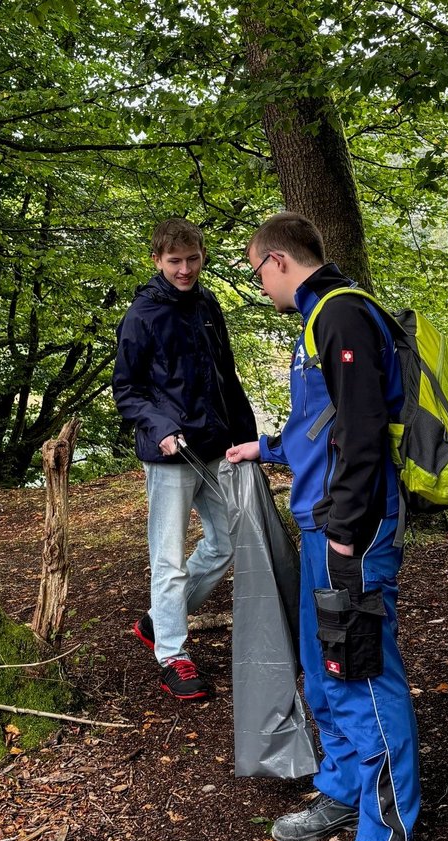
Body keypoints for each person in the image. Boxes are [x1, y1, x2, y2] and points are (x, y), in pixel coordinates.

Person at [225, 212, 420, 841]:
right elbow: (321, 422)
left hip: (351, 531)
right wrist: (265, 448)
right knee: (322, 665)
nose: (262, 286)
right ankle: (342, 788)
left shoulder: (339, 314)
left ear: (278, 260)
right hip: (323, 524)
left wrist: (345, 523)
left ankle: (385, 828)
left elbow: (364, 427)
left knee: (361, 670)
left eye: (258, 272)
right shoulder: (318, 319)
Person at [113, 218, 257, 701]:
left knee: (227, 542)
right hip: (170, 456)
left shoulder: (207, 304)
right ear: (157, 260)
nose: (185, 269)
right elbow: (127, 390)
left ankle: (158, 621)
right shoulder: (142, 315)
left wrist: (247, 442)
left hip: (215, 448)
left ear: (202, 255)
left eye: (192, 259)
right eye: (175, 261)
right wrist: (162, 429)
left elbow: (226, 378)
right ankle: (173, 655)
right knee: (168, 560)